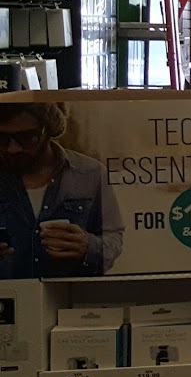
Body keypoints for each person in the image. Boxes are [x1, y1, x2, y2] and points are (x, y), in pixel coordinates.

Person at [0, 102, 123, 279]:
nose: (13, 148)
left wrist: (88, 247)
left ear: (49, 129)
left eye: (27, 138)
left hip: (71, 292)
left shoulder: (90, 173)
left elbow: (113, 236)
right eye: (2, 139)